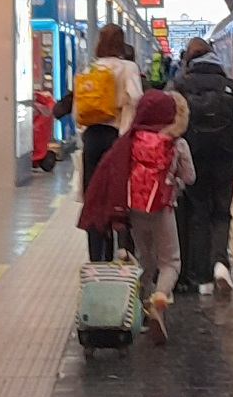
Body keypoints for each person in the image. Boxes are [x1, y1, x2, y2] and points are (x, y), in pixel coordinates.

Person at [80, 90, 195, 345]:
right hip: (163, 209)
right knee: (170, 262)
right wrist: (174, 183)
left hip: (133, 211)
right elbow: (189, 177)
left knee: (144, 258)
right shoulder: (177, 143)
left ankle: (142, 308)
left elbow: (113, 174)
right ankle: (160, 298)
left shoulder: (129, 142)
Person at [175, 37, 233, 296]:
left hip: (193, 156)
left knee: (198, 213)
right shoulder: (230, 86)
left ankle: (203, 279)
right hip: (224, 157)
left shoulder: (180, 85)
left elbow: (169, 118)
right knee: (221, 211)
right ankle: (220, 263)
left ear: (189, 60)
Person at [80, 23, 142, 262]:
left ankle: (97, 258)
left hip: (92, 137)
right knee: (119, 196)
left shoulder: (91, 68)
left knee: (93, 198)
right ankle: (123, 249)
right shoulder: (128, 68)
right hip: (117, 138)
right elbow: (136, 99)